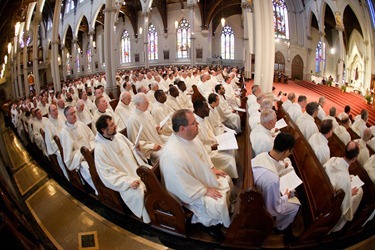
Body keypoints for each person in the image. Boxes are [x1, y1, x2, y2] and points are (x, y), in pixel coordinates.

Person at [160, 109, 234, 229]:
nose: (198, 124)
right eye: (194, 123)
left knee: (226, 178)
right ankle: (217, 227)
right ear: (182, 129)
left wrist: (212, 168)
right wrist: (204, 191)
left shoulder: (191, 138)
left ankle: (229, 211)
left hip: (202, 180)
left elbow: (203, 155)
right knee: (218, 203)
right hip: (191, 194)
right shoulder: (172, 155)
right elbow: (181, 185)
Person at [94, 115, 151, 223]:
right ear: (103, 130)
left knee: (155, 175)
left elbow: (132, 149)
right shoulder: (100, 150)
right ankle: (153, 217)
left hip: (136, 168)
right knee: (140, 193)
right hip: (126, 180)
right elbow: (107, 174)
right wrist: (128, 182)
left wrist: (136, 149)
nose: (115, 126)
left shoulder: (118, 136)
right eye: (111, 125)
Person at [252, 133, 300, 230]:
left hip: (258, 188)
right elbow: (273, 208)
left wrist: (283, 166)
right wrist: (286, 195)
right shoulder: (272, 180)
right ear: (286, 152)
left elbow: (272, 164)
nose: (290, 154)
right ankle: (279, 227)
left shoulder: (262, 155)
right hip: (262, 205)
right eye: (290, 152)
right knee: (295, 206)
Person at [324, 141, 363, 232]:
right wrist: (350, 193)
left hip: (321, 190)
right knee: (356, 196)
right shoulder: (345, 180)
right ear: (354, 159)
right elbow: (344, 207)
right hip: (327, 206)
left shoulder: (333, 159)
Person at [193, 99, 238, 178]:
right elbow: (198, 146)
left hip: (215, 144)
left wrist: (218, 139)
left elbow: (210, 133)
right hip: (208, 153)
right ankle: (231, 176)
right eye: (206, 108)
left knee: (231, 149)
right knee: (229, 159)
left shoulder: (203, 118)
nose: (209, 109)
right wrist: (211, 147)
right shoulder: (195, 125)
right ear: (199, 110)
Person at [59, 106, 98, 194]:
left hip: (91, 151)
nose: (74, 115)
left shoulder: (81, 124)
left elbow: (92, 138)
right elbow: (69, 154)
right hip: (80, 159)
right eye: (71, 114)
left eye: (74, 113)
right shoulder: (64, 133)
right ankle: (99, 189)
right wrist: (83, 155)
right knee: (87, 168)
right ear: (66, 117)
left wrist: (90, 148)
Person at [127, 93, 165, 164]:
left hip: (157, 141)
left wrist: (156, 128)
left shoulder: (146, 112)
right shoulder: (132, 120)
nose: (149, 103)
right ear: (138, 104)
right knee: (166, 156)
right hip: (149, 151)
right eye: (146, 102)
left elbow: (152, 126)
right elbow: (135, 143)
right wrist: (151, 146)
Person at [44, 104, 69, 180]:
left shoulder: (61, 117)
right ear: (50, 113)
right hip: (58, 147)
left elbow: (67, 127)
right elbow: (51, 141)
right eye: (53, 110)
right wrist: (61, 145)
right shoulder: (48, 124)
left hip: (67, 141)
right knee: (61, 155)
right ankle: (68, 175)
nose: (56, 111)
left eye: (56, 109)